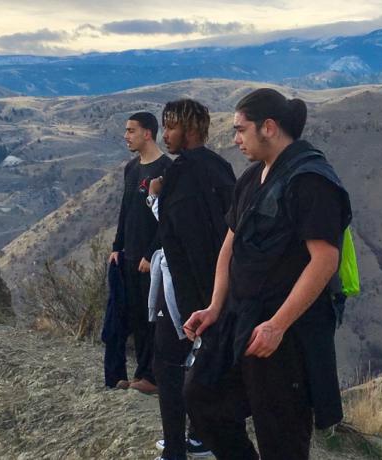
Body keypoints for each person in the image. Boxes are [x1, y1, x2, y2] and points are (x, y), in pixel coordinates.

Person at [182, 88, 352, 460]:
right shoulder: (251, 178)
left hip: (286, 336)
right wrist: (214, 306)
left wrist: (278, 324)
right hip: (240, 320)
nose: (236, 139)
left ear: (269, 127)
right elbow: (231, 244)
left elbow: (324, 260)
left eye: (241, 130)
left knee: (282, 436)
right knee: (203, 398)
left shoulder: (310, 181)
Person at [150, 99, 235, 460]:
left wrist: (155, 198)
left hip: (187, 290)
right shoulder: (221, 167)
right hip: (222, 286)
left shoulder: (181, 174)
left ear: (189, 129)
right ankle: (201, 436)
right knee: (207, 366)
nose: (164, 135)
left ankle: (175, 449)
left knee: (168, 365)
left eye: (169, 127)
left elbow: (182, 236)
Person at [106, 112, 171, 393]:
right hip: (128, 255)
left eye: (131, 130)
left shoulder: (166, 169)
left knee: (151, 320)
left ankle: (150, 377)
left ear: (148, 133)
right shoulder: (132, 168)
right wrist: (116, 247)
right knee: (130, 317)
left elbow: (167, 219)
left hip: (151, 260)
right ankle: (129, 375)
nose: (126, 135)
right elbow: (125, 210)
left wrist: (151, 252)